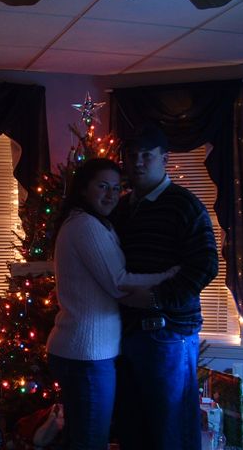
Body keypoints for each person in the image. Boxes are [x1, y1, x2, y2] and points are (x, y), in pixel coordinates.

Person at [45, 157, 178, 450]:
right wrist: (171, 275)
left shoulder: (93, 223)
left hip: (84, 352)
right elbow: (118, 282)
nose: (111, 195)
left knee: (81, 438)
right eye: (102, 186)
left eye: (116, 188)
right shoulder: (85, 225)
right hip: (87, 354)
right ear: (83, 188)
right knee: (91, 442)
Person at [112, 125, 219, 450]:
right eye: (131, 155)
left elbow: (205, 265)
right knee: (133, 428)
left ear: (164, 159)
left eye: (146, 155)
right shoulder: (121, 208)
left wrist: (155, 298)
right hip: (126, 332)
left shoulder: (184, 205)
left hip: (168, 333)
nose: (137, 162)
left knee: (170, 430)